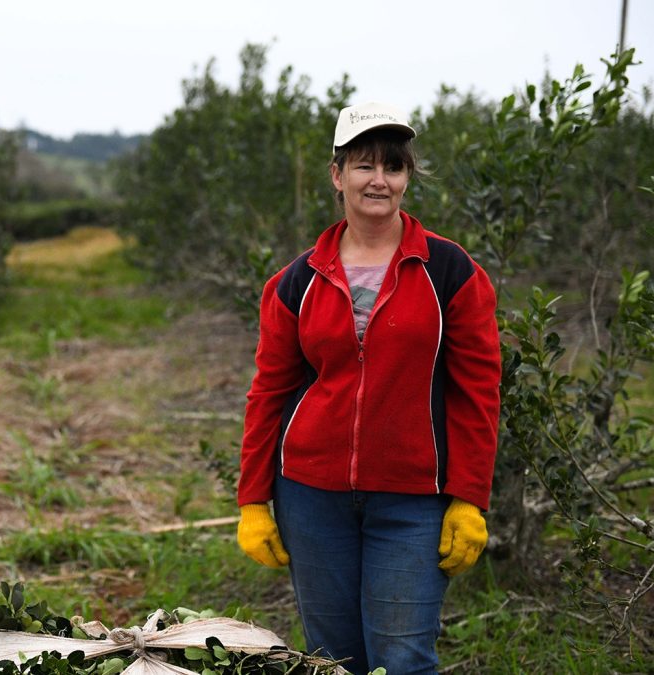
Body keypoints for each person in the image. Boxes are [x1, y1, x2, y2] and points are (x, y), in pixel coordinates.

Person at [236, 101, 500, 675]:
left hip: (413, 500)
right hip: (310, 496)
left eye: (393, 167)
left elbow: (477, 391)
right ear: (338, 176)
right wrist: (254, 499)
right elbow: (269, 394)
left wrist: (470, 497)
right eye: (363, 166)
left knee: (403, 658)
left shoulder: (451, 272)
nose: (379, 180)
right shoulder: (294, 282)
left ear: (407, 177)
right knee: (335, 662)